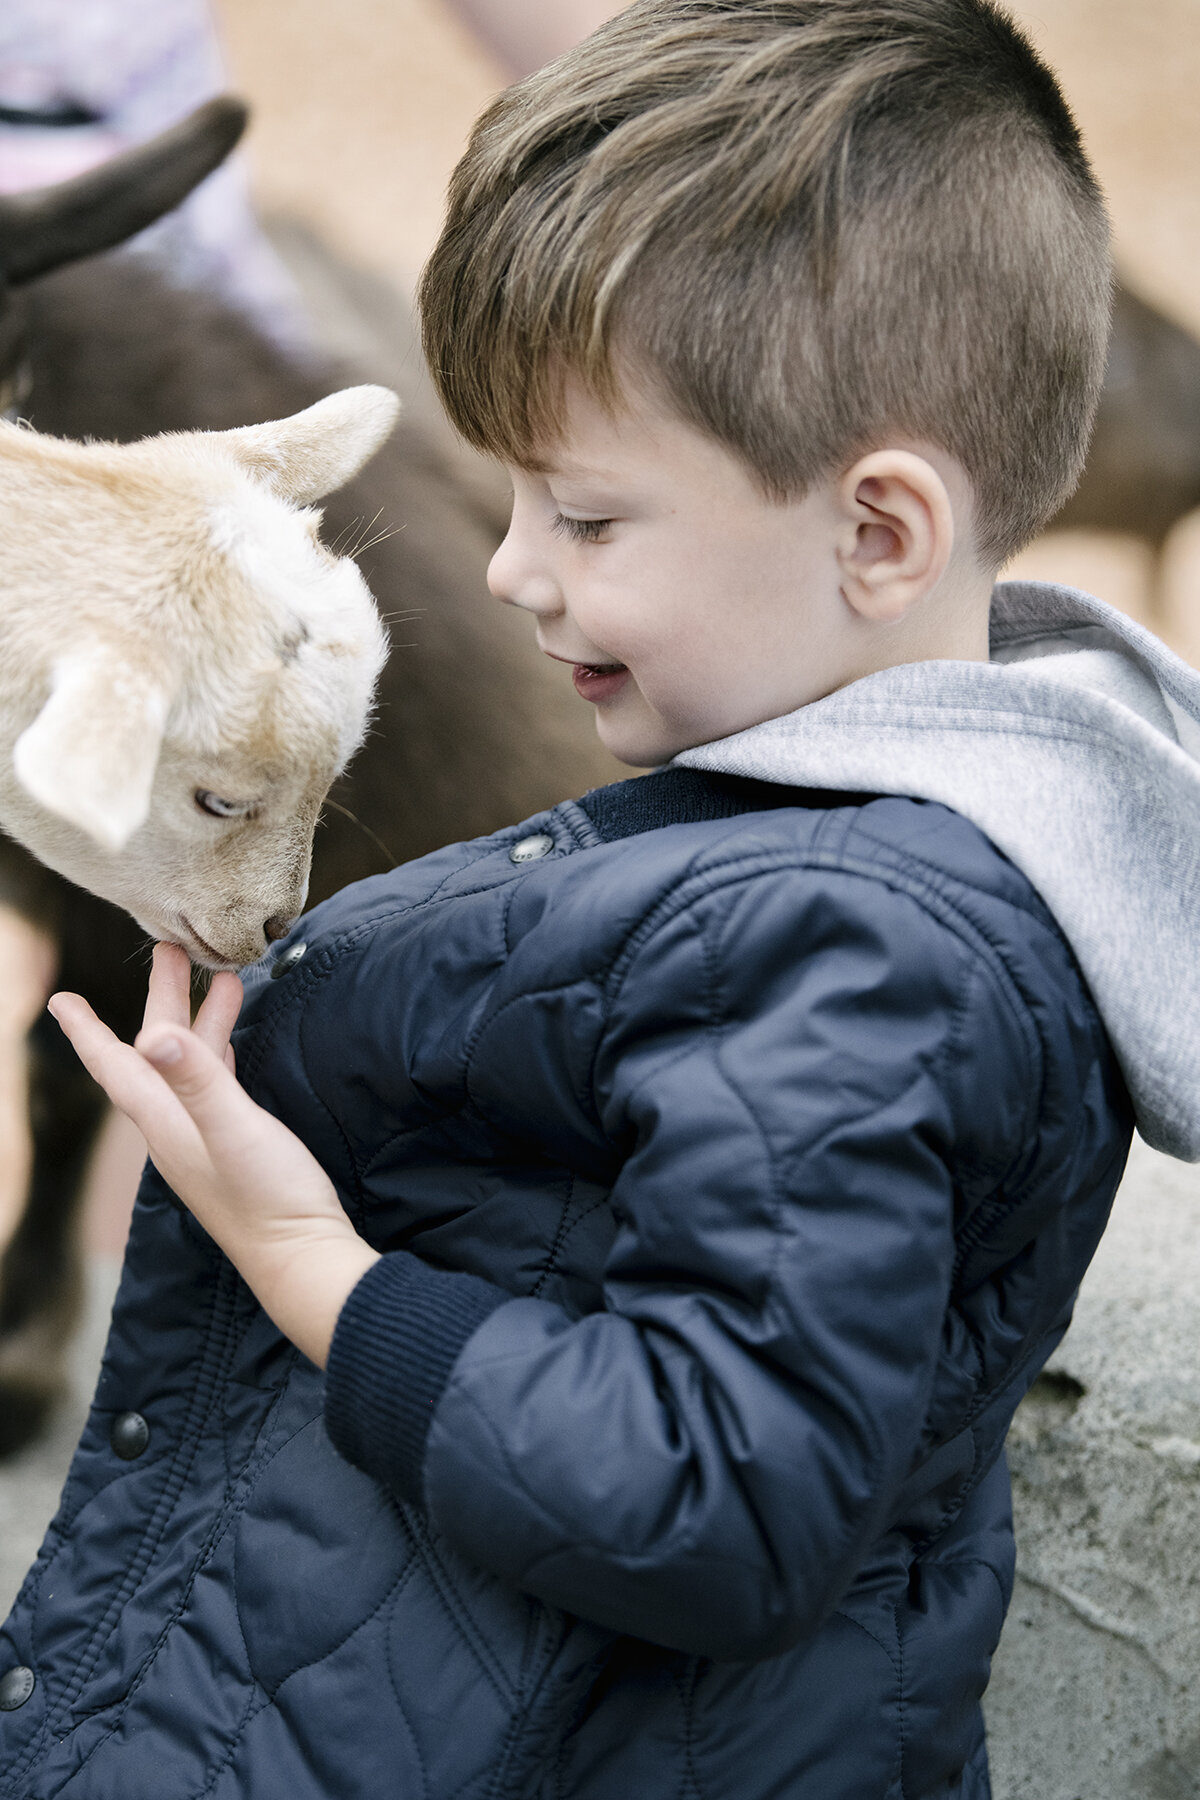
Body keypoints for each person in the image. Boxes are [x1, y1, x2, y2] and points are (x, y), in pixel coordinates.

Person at [5, 1, 1200, 1793]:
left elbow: (716, 1496)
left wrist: (311, 1264)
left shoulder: (863, 947)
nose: (508, 573)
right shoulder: (811, 827)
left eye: (586, 520)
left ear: (879, 533)